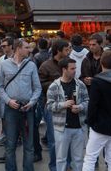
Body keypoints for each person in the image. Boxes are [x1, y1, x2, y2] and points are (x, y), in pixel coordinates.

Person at [0, 39, 42, 171]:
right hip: (11, 109)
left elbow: (37, 88)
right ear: (18, 48)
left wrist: (32, 102)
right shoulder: (4, 65)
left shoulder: (31, 65)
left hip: (27, 109)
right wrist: (8, 101)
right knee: (10, 144)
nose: (30, 50)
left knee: (29, 145)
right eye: (26, 47)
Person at [82, 50, 111, 171]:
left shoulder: (97, 81)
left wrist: (90, 122)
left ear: (101, 62)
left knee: (90, 157)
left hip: (99, 124)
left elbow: (93, 104)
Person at [46, 57, 88, 171]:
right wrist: (63, 105)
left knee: (78, 159)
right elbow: (49, 106)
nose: (75, 71)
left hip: (79, 127)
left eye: (75, 68)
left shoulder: (80, 84)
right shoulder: (54, 86)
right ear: (64, 69)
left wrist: (80, 107)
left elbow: (87, 101)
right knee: (60, 159)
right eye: (72, 68)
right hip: (61, 128)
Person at [38, 39, 70, 170]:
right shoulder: (46, 66)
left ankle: (67, 165)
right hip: (51, 106)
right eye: (67, 50)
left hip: (68, 105)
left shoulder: (69, 63)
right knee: (54, 140)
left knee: (67, 138)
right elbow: (40, 84)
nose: (69, 52)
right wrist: (57, 83)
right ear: (58, 51)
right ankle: (55, 167)